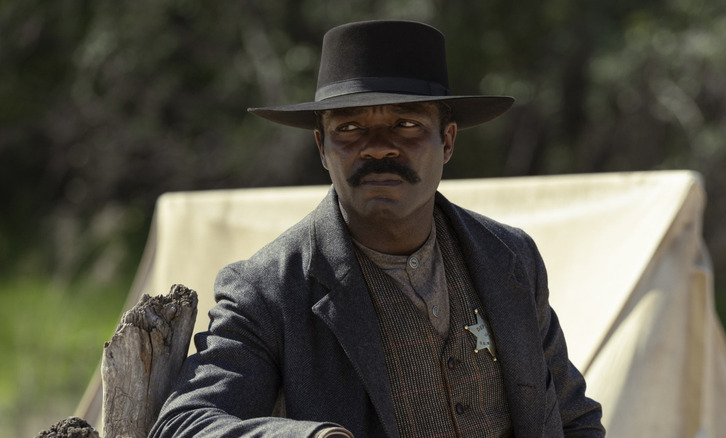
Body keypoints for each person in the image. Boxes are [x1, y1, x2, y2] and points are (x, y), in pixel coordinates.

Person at [149, 20, 604, 438]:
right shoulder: (269, 290)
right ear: (322, 147)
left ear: (446, 141)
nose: (380, 148)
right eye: (350, 128)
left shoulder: (510, 257)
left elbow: (573, 419)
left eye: (406, 124)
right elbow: (184, 424)